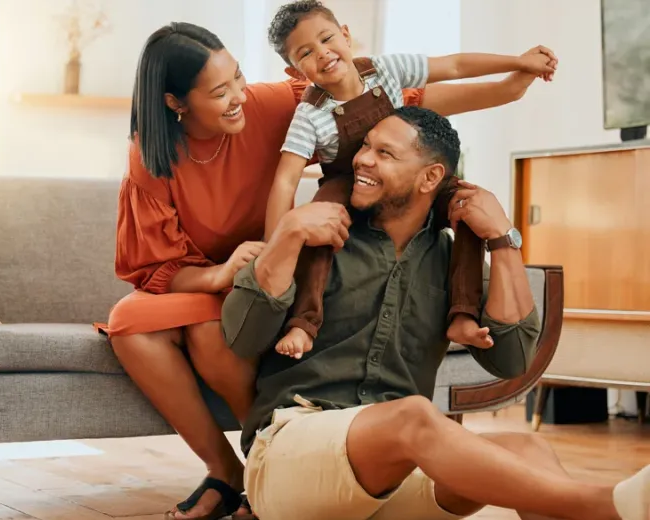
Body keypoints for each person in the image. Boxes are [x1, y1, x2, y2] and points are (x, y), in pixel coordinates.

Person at [97, 20, 550, 520]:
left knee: (529, 456)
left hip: (290, 262)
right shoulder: (154, 157)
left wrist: (512, 86)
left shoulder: (279, 102)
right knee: (136, 323)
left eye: (240, 79)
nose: (239, 98)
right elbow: (157, 263)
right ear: (176, 103)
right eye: (219, 92)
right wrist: (252, 257)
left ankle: (269, 459)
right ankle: (237, 465)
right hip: (239, 270)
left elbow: (406, 101)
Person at [221, 106, 650, 520]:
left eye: (384, 153)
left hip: (394, 472)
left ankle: (608, 512)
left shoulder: (453, 263)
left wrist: (503, 240)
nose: (363, 160)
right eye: (366, 146)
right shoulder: (317, 234)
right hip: (292, 454)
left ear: (431, 177)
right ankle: (607, 507)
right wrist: (290, 231)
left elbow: (513, 359)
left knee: (529, 450)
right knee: (414, 415)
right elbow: (243, 336)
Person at [263, 0, 558, 360]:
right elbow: (284, 182)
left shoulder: (385, 69)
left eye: (326, 39)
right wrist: (274, 244)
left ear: (345, 34)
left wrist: (518, 62)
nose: (323, 54)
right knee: (319, 227)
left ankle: (463, 314)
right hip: (347, 180)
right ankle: (304, 322)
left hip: (407, 171)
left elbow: (454, 65)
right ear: (295, 72)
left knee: (469, 204)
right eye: (306, 53)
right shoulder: (309, 115)